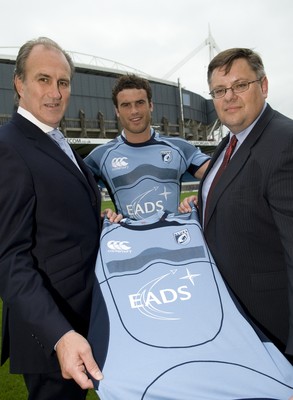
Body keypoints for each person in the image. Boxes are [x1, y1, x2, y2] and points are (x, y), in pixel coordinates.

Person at [0, 37, 117, 400]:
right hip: (53, 337)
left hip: (81, 318)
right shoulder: (8, 147)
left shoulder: (53, 140)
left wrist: (103, 224)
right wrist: (59, 335)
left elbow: (63, 224)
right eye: (43, 79)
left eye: (63, 82)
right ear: (19, 83)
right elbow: (9, 259)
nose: (55, 92)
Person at [179, 47, 293, 363]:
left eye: (240, 85)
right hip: (235, 324)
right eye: (219, 90)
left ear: (264, 86)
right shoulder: (230, 142)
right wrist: (202, 203)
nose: (229, 96)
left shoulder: (285, 144)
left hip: (274, 334)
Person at [85, 74, 210, 220]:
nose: (134, 111)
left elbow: (223, 177)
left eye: (140, 103)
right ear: (117, 111)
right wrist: (96, 215)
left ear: (151, 105)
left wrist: (201, 199)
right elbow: (68, 190)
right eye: (126, 105)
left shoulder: (180, 148)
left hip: (173, 239)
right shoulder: (100, 156)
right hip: (129, 241)